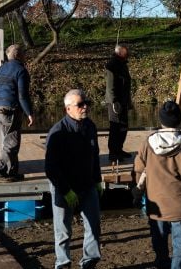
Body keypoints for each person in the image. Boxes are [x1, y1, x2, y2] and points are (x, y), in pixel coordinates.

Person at [133, 101, 181, 269]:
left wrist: (137, 194)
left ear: (160, 120)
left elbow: (140, 174)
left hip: (157, 205)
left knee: (159, 242)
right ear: (179, 120)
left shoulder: (148, 144)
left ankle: (162, 264)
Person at [45, 89, 102, 269]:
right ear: (68, 109)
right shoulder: (58, 132)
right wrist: (65, 190)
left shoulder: (90, 126)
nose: (85, 107)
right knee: (63, 231)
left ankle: (89, 262)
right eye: (80, 104)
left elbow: (96, 155)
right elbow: (50, 168)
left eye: (86, 103)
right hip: (64, 186)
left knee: (94, 226)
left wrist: (98, 179)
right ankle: (62, 263)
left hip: (87, 184)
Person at [0, 44, 34, 182]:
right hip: (10, 108)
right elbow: (22, 95)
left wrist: (0, 91)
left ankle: (11, 172)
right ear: (18, 55)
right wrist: (29, 113)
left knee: (9, 139)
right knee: (12, 141)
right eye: (24, 53)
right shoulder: (21, 70)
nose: (25, 56)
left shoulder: (1, 69)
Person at [105, 45, 133, 162]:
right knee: (115, 127)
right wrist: (113, 102)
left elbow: (126, 84)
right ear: (120, 53)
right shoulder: (112, 65)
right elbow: (110, 86)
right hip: (115, 102)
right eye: (126, 53)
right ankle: (113, 152)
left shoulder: (123, 64)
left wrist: (128, 101)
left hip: (123, 100)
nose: (128, 54)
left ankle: (119, 149)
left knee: (123, 127)